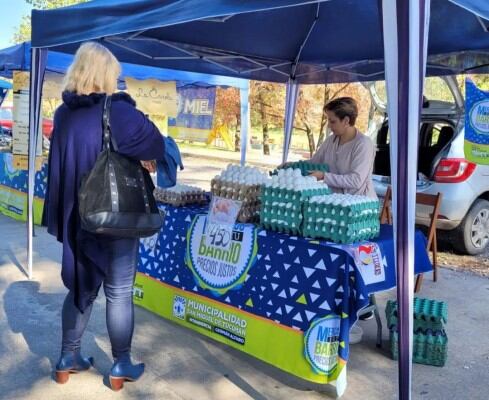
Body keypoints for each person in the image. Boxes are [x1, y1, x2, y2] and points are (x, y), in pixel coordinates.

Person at [42, 42, 166, 390]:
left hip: (76, 215)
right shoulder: (118, 109)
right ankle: (120, 364)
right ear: (104, 75)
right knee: (119, 291)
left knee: (82, 286)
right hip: (113, 216)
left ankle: (68, 358)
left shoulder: (64, 113)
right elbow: (153, 143)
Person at [308, 97, 377, 198]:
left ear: (346, 121)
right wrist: (292, 166)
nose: (328, 126)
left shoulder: (363, 144)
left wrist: (324, 176)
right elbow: (314, 163)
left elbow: (356, 180)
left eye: (332, 121)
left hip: (360, 205)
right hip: (335, 202)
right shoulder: (331, 141)